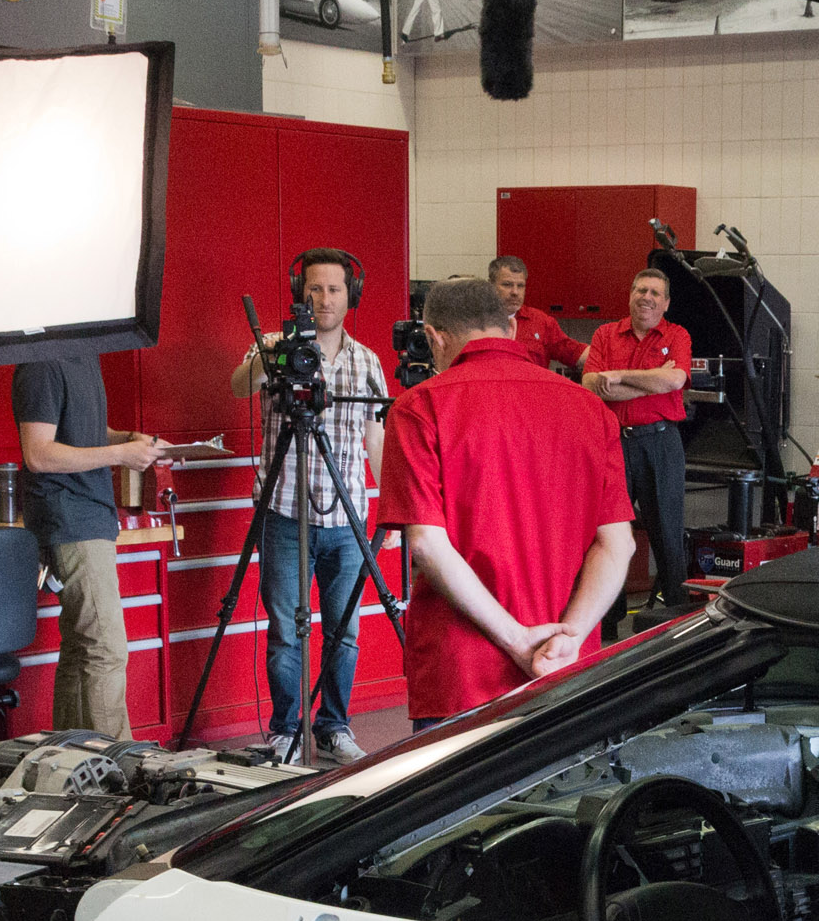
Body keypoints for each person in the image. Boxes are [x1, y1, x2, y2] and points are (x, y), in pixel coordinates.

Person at [376, 278, 634, 729]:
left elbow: (427, 546)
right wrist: (566, 642)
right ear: (512, 327)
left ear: (434, 337)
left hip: (462, 675)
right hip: (565, 670)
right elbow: (618, 546)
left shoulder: (420, 407)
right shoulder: (591, 409)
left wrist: (518, 641)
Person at [229, 248, 392, 765]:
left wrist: (391, 505)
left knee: (345, 634)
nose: (324, 299)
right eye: (315, 289)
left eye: (335, 289)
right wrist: (268, 354)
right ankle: (285, 730)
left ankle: (334, 727)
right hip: (285, 512)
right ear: (302, 292)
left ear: (352, 296)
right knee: (285, 633)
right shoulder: (276, 348)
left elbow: (375, 437)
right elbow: (237, 386)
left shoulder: (367, 360)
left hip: (348, 519)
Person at [12, 349, 166, 741]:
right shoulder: (42, 362)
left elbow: (83, 433)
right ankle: (118, 767)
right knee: (105, 650)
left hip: (90, 515)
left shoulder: (84, 357)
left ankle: (67, 757)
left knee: (81, 649)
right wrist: (120, 454)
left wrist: (129, 440)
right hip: (69, 518)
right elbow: (38, 453)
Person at [581, 269, 696, 624]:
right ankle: (607, 619)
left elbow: (675, 379)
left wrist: (616, 377)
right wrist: (653, 382)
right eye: (641, 290)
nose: (647, 297)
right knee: (607, 531)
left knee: (667, 531)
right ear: (630, 294)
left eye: (655, 293)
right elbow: (589, 384)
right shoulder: (605, 333)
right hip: (613, 443)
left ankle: (677, 615)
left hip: (661, 443)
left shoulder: (677, 335)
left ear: (666, 303)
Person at [489, 255, 586, 375]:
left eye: (520, 286)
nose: (515, 292)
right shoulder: (475, 321)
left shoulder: (540, 322)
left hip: (531, 391)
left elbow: (575, 352)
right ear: (491, 286)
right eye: (507, 285)